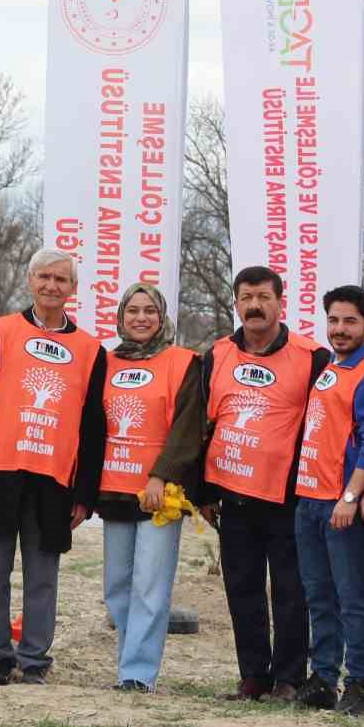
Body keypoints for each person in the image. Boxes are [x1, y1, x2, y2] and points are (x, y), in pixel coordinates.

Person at [0, 248, 106, 686]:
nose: (52, 286)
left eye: (61, 279)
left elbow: (94, 425)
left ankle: (35, 661)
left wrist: (85, 494)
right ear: (29, 280)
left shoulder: (90, 350)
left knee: (43, 580)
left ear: (73, 289)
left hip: (54, 482)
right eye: (44, 277)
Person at [199, 266, 330, 701]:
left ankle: (290, 678)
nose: (254, 306)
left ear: (281, 300)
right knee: (242, 587)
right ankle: (253, 675)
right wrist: (204, 491)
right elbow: (201, 423)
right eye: (246, 297)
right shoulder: (216, 355)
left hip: (288, 496)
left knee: (292, 590)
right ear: (235, 302)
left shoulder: (313, 357)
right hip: (231, 494)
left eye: (263, 297)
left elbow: (327, 423)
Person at [292, 285, 364, 715]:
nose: (340, 328)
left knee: (352, 597)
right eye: (333, 320)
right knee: (318, 596)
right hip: (309, 498)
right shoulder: (332, 368)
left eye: (350, 320)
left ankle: (359, 683)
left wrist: (351, 496)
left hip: (341, 504)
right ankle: (324, 677)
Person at [96, 282, 201, 692]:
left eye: (149, 311)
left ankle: (138, 674)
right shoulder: (104, 363)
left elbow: (187, 425)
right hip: (114, 489)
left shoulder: (183, 362)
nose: (141, 318)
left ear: (162, 317)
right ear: (121, 317)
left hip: (160, 494)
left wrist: (161, 474)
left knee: (151, 585)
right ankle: (128, 660)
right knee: (117, 586)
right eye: (132, 311)